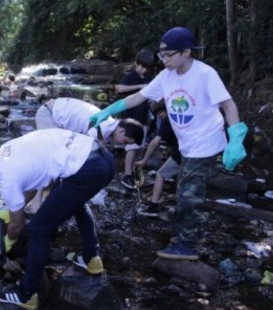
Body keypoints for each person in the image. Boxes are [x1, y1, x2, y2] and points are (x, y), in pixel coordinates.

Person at [89, 27, 248, 261]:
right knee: (185, 187)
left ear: (186, 52)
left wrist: (236, 137)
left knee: (188, 194)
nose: (163, 60)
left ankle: (188, 246)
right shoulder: (166, 76)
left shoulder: (205, 74)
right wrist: (110, 110)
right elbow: (139, 97)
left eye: (168, 55)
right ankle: (188, 233)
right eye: (161, 55)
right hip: (187, 144)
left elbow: (228, 105)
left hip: (206, 142)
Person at [0, 128, 116, 310]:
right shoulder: (5, 152)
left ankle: (27, 294)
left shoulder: (6, 178)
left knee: (38, 230)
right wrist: (10, 210)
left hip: (86, 170)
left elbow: (17, 225)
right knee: (78, 203)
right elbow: (34, 185)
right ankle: (92, 259)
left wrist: (8, 241)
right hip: (104, 159)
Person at [30, 97, 144, 213]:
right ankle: (36, 201)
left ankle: (46, 198)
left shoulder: (110, 127)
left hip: (59, 114)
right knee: (53, 158)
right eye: (125, 141)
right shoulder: (104, 128)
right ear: (122, 131)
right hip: (50, 114)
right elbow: (82, 152)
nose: (122, 145)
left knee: (62, 161)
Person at [115, 49, 156, 189]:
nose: (144, 70)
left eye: (147, 68)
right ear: (136, 63)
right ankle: (127, 175)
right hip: (130, 119)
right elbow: (120, 89)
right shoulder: (130, 76)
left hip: (144, 118)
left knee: (141, 148)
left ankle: (137, 176)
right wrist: (140, 87)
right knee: (132, 147)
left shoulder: (150, 78)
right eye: (142, 66)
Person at [134, 102, 181, 217]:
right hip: (194, 150)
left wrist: (144, 160)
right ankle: (179, 208)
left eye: (161, 112)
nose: (160, 115)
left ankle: (153, 207)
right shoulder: (180, 115)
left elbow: (155, 141)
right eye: (158, 113)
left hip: (183, 152)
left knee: (161, 174)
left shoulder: (168, 120)